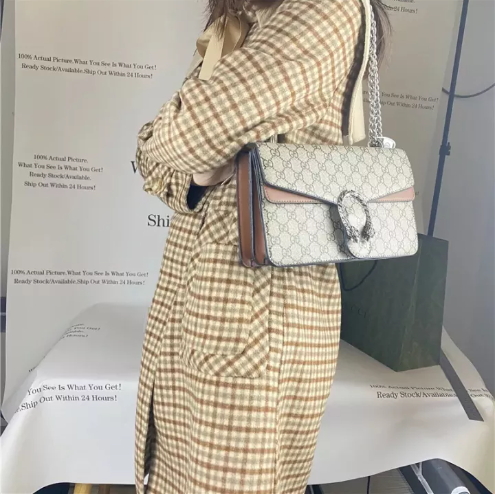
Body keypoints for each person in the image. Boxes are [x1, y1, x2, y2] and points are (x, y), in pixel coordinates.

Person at [134, 0, 389, 493]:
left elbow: (188, 132)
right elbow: (158, 164)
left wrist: (171, 142)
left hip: (258, 323)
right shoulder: (233, 24)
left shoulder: (324, 9)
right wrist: (196, 174)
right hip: (191, 313)